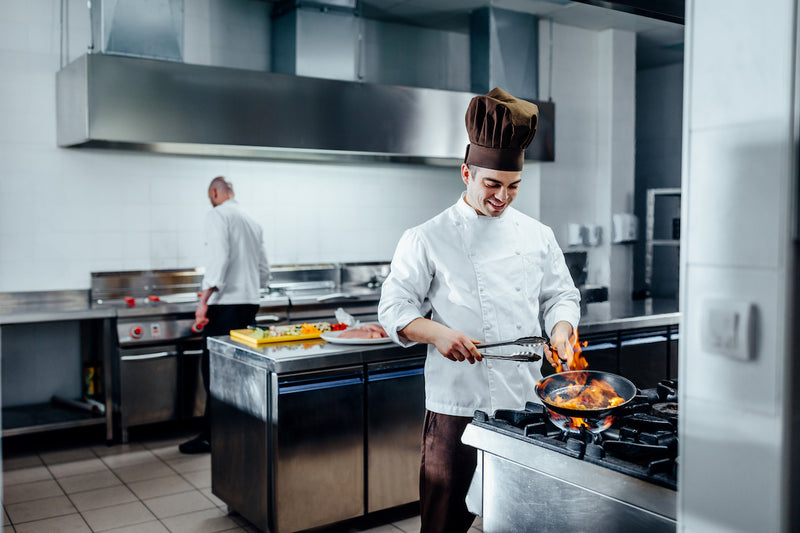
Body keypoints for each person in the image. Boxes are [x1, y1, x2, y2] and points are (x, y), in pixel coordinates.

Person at [378, 88, 581, 532]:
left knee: (523, 519)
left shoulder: (538, 235)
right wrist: (436, 333)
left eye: (513, 187)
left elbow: (560, 296)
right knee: (444, 522)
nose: (502, 197)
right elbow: (394, 306)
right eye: (492, 184)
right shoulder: (426, 237)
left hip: (529, 401)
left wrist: (562, 329)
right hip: (458, 406)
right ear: (466, 172)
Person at [179, 176, 270, 455]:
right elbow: (264, 270)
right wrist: (253, 289)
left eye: (210, 195)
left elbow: (218, 259)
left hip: (225, 305)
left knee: (215, 372)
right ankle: (240, 431)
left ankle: (213, 436)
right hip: (249, 302)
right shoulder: (252, 221)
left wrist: (203, 300)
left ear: (216, 192)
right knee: (243, 371)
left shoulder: (218, 215)